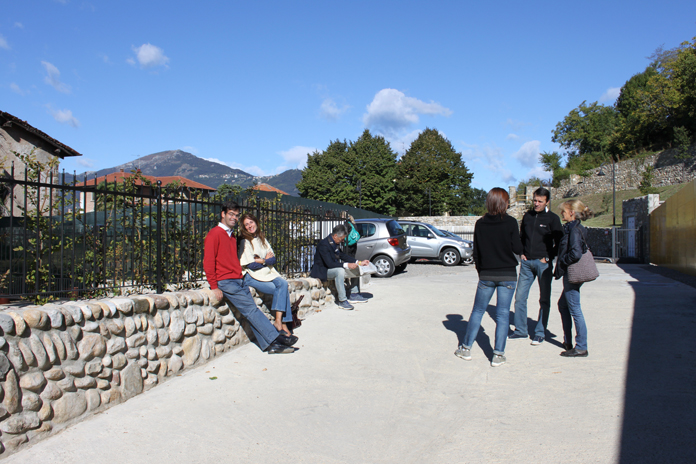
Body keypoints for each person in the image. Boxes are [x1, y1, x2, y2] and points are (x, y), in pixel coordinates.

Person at [204, 201, 297, 354]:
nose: (234, 217)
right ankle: (277, 338)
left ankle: (269, 345)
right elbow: (208, 261)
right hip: (226, 281)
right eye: (231, 214)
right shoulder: (215, 234)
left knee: (251, 312)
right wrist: (214, 286)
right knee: (252, 310)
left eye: (236, 215)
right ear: (223, 214)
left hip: (238, 279)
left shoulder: (232, 235)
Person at [455, 188, 523, 367]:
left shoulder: (480, 223)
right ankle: (498, 354)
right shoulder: (511, 222)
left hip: (486, 274)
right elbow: (518, 248)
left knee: (477, 311)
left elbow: (476, 252)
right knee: (502, 315)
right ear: (504, 203)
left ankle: (466, 348)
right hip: (508, 274)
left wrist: (481, 271)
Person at [509, 187, 563, 345]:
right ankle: (520, 330)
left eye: (540, 201)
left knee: (544, 299)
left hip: (543, 264)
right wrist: (521, 253)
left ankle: (540, 332)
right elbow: (521, 237)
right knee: (519, 298)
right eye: (534, 200)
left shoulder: (553, 219)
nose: (536, 204)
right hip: (526, 263)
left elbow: (560, 241)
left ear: (547, 201)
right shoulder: (528, 216)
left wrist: (549, 257)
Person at [238, 213, 293, 336]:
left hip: (267, 273)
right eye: (246, 224)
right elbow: (251, 265)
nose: (249, 226)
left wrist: (261, 260)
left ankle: (279, 321)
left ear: (256, 222)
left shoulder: (262, 239)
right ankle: (284, 324)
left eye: (251, 222)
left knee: (282, 284)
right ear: (244, 227)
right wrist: (265, 261)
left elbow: (273, 260)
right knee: (280, 290)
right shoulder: (245, 242)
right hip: (253, 276)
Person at [554, 199, 593, 357]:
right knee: (563, 305)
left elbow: (576, 253)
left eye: (564, 210)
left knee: (574, 308)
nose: (562, 213)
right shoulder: (576, 228)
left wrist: (563, 262)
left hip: (572, 273)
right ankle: (568, 341)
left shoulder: (574, 230)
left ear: (571, 213)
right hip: (572, 273)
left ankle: (581, 346)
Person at [310, 224, 368, 310]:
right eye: (342, 239)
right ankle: (342, 300)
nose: (343, 240)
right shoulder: (324, 245)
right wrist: (347, 265)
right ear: (336, 236)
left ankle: (354, 294)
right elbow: (329, 264)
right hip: (323, 271)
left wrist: (358, 262)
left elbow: (342, 255)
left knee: (355, 267)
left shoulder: (334, 243)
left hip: (332, 268)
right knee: (339, 271)